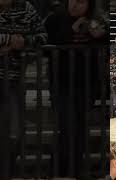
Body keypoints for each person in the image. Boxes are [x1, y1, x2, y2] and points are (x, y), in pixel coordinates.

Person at [45, 0, 106, 178]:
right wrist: (72, 29)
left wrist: (100, 35)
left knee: (79, 127)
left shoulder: (97, 19)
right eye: (73, 0)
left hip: (87, 82)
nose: (76, 5)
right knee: (66, 125)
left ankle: (75, 169)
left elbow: (107, 39)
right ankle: (58, 169)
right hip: (61, 82)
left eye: (81, 2)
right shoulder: (55, 19)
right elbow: (49, 42)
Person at [0, 0, 47, 179]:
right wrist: (10, 40)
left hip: (13, 78)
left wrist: (23, 42)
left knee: (14, 131)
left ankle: (8, 172)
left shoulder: (25, 7)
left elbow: (42, 36)